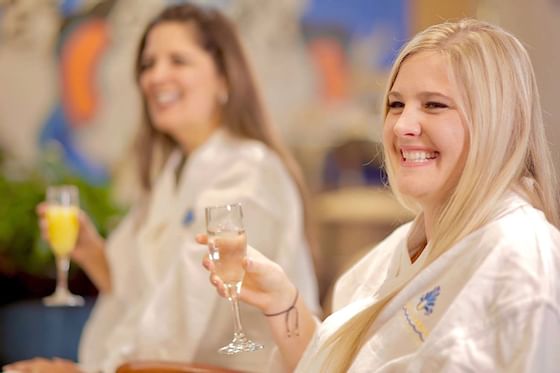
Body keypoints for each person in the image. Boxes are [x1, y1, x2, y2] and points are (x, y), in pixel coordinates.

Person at [202, 18, 560, 372]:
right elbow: (333, 364)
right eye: (396, 105)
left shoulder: (519, 261)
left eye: (434, 105)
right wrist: (281, 299)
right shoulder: (397, 251)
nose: (402, 126)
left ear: (496, 121)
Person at [4, 3, 319, 373]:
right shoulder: (170, 175)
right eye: (148, 64)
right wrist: (92, 253)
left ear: (224, 78)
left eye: (178, 61)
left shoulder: (249, 171)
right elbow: (136, 289)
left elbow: (188, 303)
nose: (155, 76)